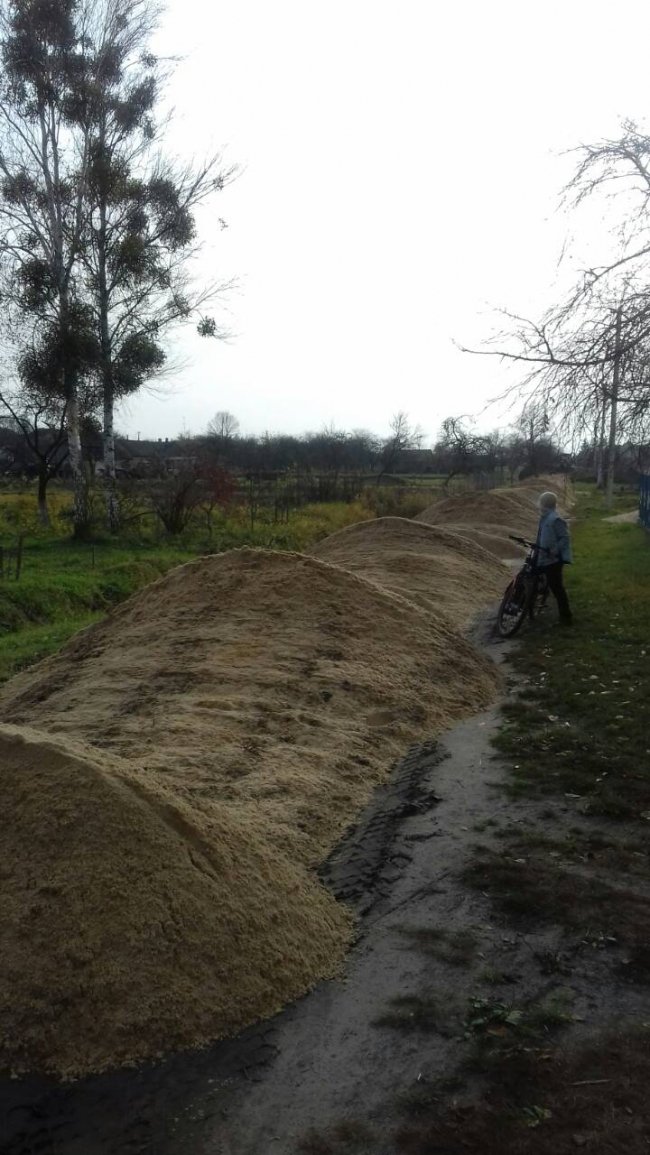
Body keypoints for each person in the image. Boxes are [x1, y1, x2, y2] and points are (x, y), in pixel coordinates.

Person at [535, 491, 573, 625]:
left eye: (540, 502)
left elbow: (565, 538)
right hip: (543, 557)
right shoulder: (544, 518)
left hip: (553, 560)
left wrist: (554, 550)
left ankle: (566, 617)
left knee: (557, 587)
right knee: (535, 577)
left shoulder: (555, 519)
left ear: (544, 503)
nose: (538, 505)